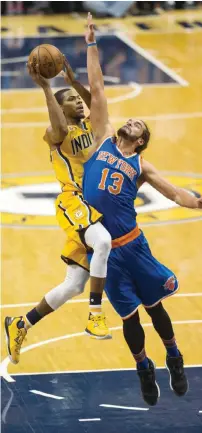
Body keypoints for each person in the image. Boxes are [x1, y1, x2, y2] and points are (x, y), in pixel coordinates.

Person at [82, 13, 202, 406]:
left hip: (132, 245)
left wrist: (200, 202)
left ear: (141, 142)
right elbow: (97, 88)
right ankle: (144, 368)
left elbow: (177, 195)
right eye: (132, 120)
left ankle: (174, 357)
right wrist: (91, 42)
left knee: (155, 308)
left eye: (139, 125)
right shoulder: (101, 141)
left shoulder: (142, 166)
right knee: (129, 318)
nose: (132, 121)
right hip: (103, 251)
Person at [4, 56, 113, 366]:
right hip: (73, 202)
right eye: (73, 101)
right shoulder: (59, 135)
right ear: (61, 108)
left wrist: (74, 82)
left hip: (93, 206)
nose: (80, 103)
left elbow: (98, 103)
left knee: (74, 284)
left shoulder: (91, 128)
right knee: (103, 242)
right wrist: (47, 90)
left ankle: (20, 324)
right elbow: (57, 123)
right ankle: (95, 314)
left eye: (80, 100)